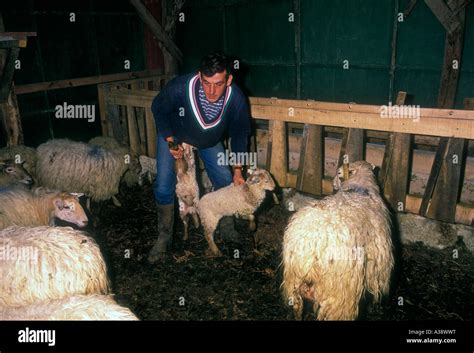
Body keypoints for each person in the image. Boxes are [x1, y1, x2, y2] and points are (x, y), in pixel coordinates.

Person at [148, 52, 251, 263]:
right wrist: (169, 140)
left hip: (208, 140)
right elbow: (158, 107)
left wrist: (238, 170)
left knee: (224, 178)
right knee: (164, 185)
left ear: (229, 79)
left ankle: (227, 228)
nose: (212, 91)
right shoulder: (180, 87)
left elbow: (240, 133)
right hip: (175, 135)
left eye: (219, 84)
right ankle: (164, 236)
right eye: (206, 83)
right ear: (199, 76)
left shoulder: (236, 99)